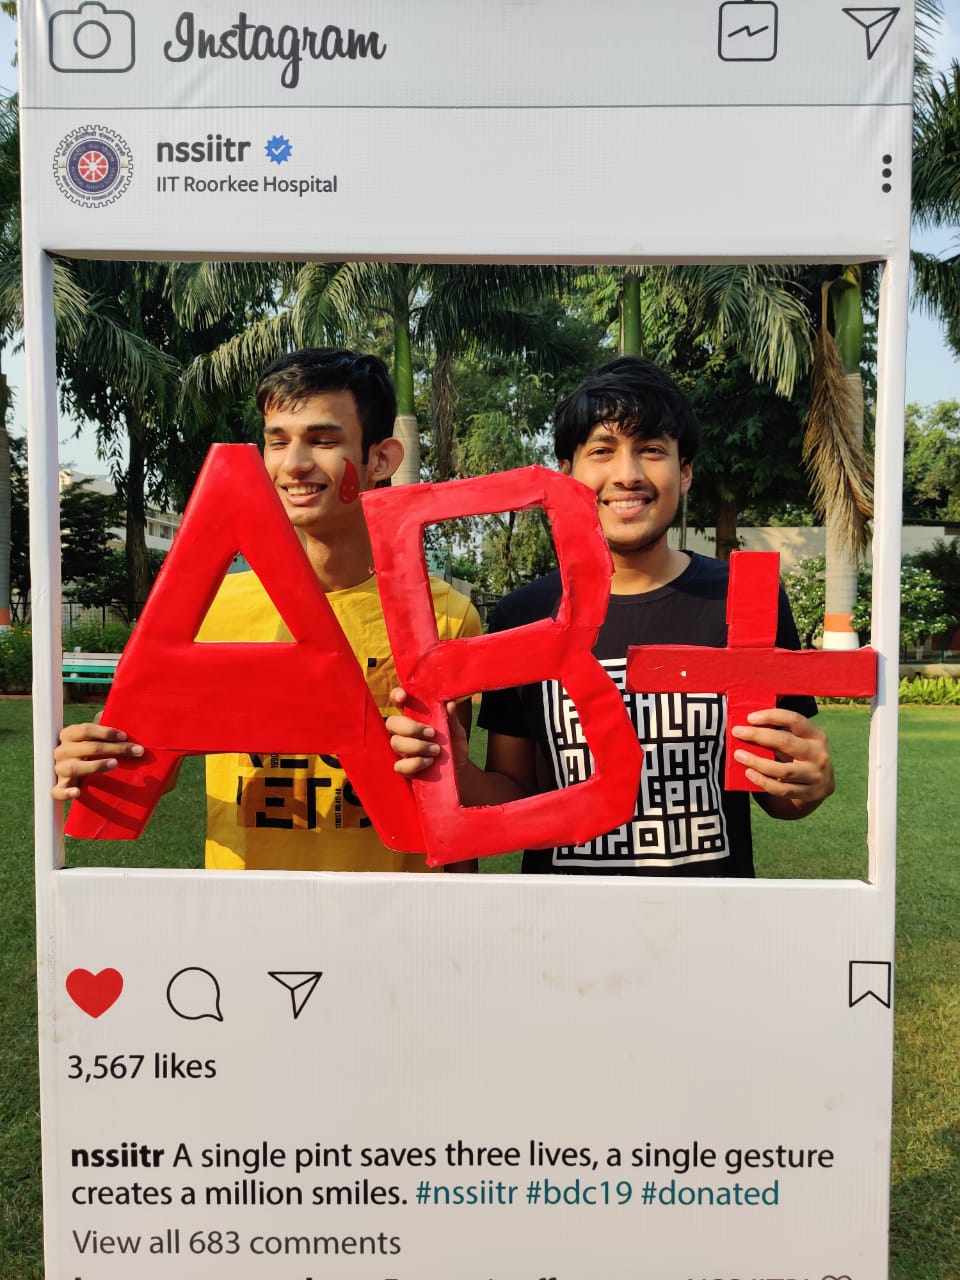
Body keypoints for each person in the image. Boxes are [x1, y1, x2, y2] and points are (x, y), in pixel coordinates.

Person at [387, 356, 834, 876]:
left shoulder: (745, 600)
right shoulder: (523, 614)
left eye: (652, 450)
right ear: (566, 475)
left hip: (710, 916)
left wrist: (808, 784)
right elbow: (514, 791)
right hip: (561, 917)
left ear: (685, 472)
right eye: (602, 451)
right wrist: (456, 768)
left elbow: (777, 795)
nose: (627, 475)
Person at [53, 348, 481, 873]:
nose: (293, 464)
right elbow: (146, 765)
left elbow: (453, 803)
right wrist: (96, 756)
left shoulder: (445, 616)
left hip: (391, 909)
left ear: (382, 459)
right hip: (245, 911)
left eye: (323, 441)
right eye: (277, 442)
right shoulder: (210, 606)